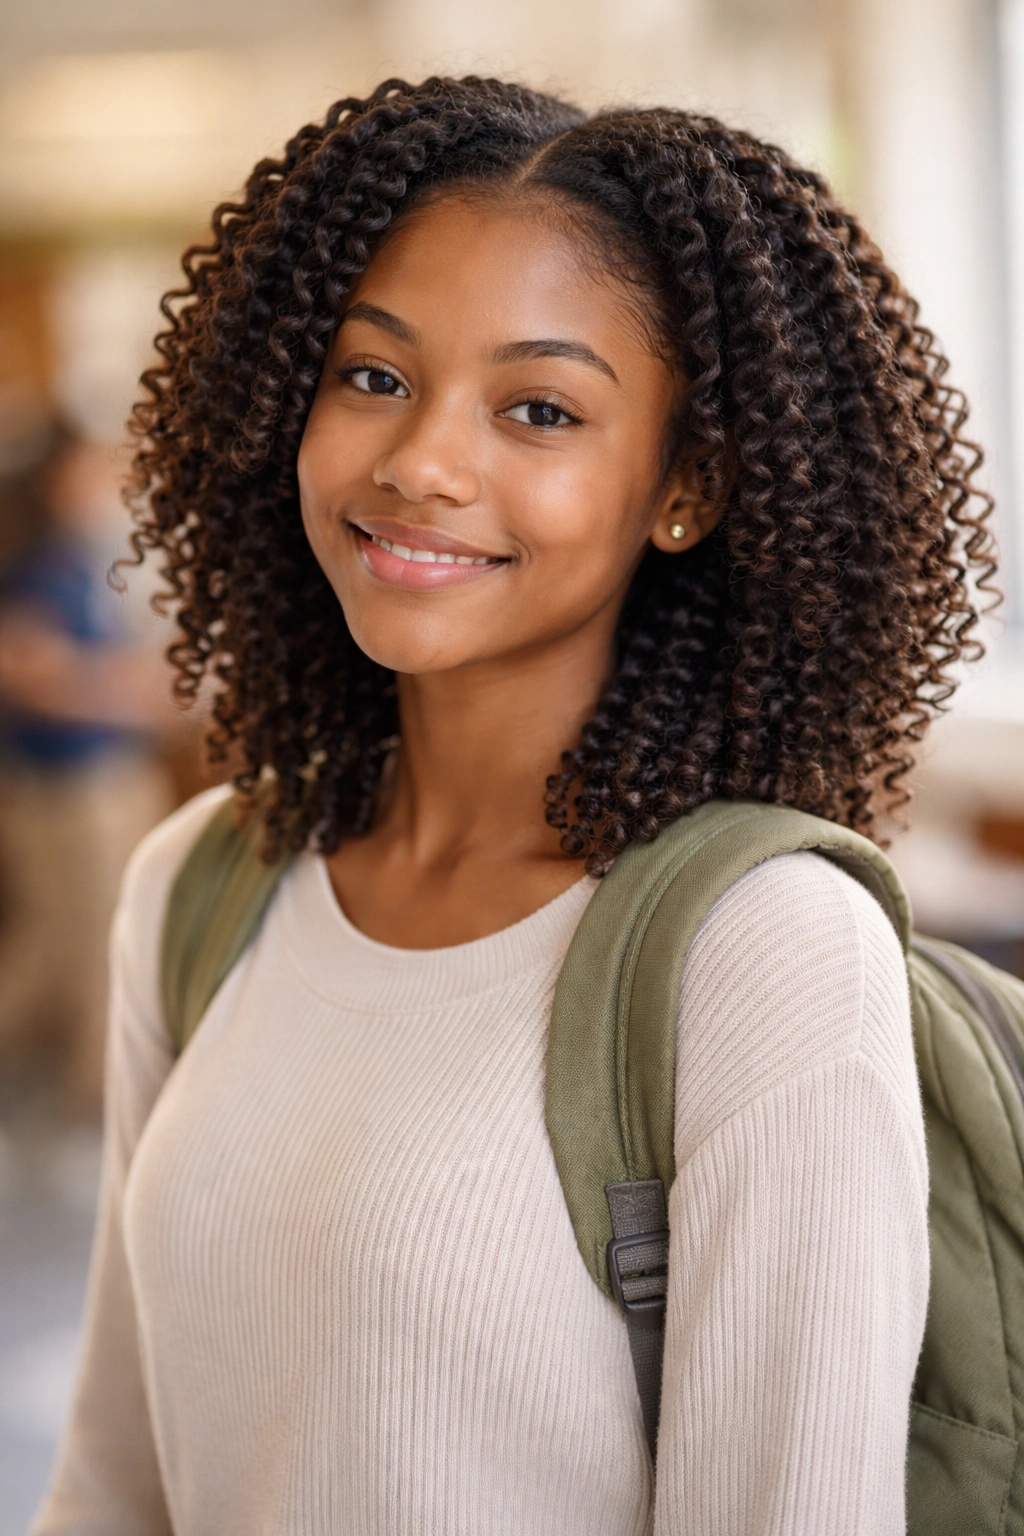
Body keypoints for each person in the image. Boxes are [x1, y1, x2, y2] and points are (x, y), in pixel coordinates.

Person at [32, 79, 994, 1534]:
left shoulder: (763, 950)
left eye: (539, 409)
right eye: (372, 376)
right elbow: (114, 1484)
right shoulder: (205, 883)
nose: (420, 462)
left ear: (685, 487)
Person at [0, 426, 174, 1116]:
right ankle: (96, 1097)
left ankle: (91, 1088)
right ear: (58, 481)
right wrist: (127, 693)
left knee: (84, 937)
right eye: (96, 472)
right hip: (65, 790)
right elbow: (28, 672)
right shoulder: (39, 566)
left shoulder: (89, 563)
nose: (114, 485)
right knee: (84, 939)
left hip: (106, 776)